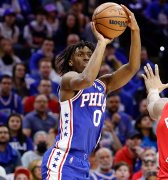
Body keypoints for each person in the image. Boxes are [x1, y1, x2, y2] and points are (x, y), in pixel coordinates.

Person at [41, 5, 140, 179]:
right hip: (63, 158)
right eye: (81, 54)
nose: (87, 56)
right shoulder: (68, 79)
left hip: (84, 161)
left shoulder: (103, 85)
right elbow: (86, 79)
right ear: (71, 62)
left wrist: (135, 31)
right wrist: (101, 42)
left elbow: (132, 68)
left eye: (90, 53)